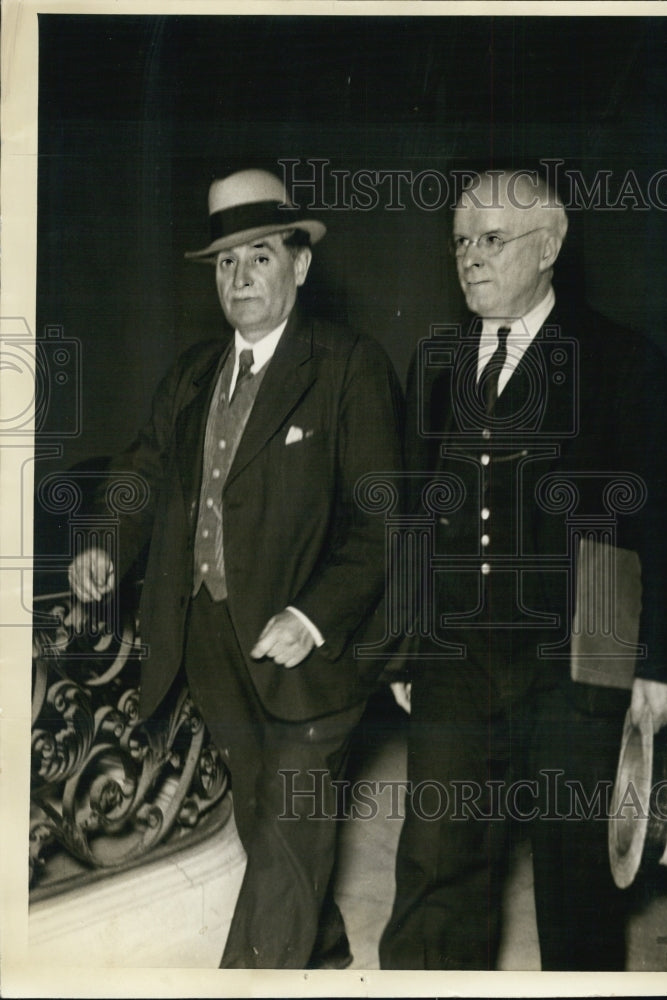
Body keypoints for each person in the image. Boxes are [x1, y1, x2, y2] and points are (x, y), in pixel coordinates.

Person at [379, 169, 667, 970]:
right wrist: (405, 646)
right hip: (457, 657)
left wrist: (664, 665)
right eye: (461, 241)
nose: (470, 258)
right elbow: (417, 516)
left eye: (491, 240)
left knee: (576, 877)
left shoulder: (622, 361)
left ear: (550, 245)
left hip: (578, 655)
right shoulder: (438, 362)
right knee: (435, 866)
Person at [68, 168, 403, 968]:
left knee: (287, 840)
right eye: (225, 262)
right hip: (211, 644)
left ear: (301, 265)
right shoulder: (193, 375)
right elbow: (141, 474)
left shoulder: (347, 366)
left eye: (258, 256)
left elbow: (384, 522)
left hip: (313, 654)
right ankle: (318, 961)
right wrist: (104, 544)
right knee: (271, 829)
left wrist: (312, 615)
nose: (240, 278)